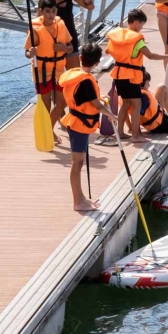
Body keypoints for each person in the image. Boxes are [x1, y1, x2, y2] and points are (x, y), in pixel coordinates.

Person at [59, 44, 118, 212]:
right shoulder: (86, 80)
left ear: (80, 58)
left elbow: (89, 99)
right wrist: (112, 115)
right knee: (77, 163)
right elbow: (97, 106)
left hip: (76, 121)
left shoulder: (75, 75)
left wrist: (101, 99)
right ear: (98, 62)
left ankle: (82, 198)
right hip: (79, 125)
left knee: (78, 162)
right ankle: (78, 201)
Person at [105, 8, 168, 144]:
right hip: (131, 76)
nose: (141, 28)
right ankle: (135, 135)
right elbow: (151, 56)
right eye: (141, 24)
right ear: (135, 23)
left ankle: (121, 131)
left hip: (118, 74)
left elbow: (107, 50)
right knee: (137, 103)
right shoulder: (137, 40)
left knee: (125, 103)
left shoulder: (118, 37)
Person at [24, 0, 72, 130]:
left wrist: (64, 48)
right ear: (41, 11)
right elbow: (27, 52)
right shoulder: (35, 30)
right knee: (46, 104)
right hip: (42, 71)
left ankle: (48, 129)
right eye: (47, 11)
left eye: (53, 11)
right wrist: (31, 53)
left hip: (58, 69)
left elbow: (71, 47)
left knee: (62, 102)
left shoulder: (61, 25)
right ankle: (48, 131)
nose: (51, 15)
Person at [48, 0, 94, 70]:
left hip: (70, 39)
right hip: (54, 42)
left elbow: (90, 6)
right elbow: (39, 23)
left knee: (74, 75)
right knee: (58, 79)